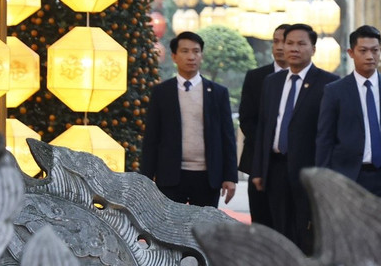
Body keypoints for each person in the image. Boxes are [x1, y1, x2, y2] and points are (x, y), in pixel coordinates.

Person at [250, 24, 335, 252]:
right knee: (278, 229)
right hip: (275, 168)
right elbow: (265, 128)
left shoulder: (329, 83)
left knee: (307, 230)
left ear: (313, 49)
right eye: (289, 43)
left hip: (308, 170)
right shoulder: (272, 82)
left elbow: (331, 134)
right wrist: (259, 169)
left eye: (301, 44)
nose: (293, 49)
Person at [315, 25, 381, 203]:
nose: (370, 56)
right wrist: (322, 180)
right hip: (349, 175)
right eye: (363, 51)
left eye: (375, 50)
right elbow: (325, 138)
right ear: (351, 52)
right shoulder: (335, 91)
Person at [140, 30, 238, 208]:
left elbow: (227, 137)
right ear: (175, 57)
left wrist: (230, 177)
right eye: (185, 51)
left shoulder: (217, 93)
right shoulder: (162, 92)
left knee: (203, 230)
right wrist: (146, 178)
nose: (191, 56)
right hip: (171, 175)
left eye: (196, 51)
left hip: (207, 177)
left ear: (201, 56)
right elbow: (152, 138)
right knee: (169, 229)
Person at [238, 22, 288, 226]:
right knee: (261, 223)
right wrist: (267, 148)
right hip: (259, 163)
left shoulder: (309, 81)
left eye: (285, 41)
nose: (279, 46)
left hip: (293, 165)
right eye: (275, 41)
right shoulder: (256, 77)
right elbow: (246, 120)